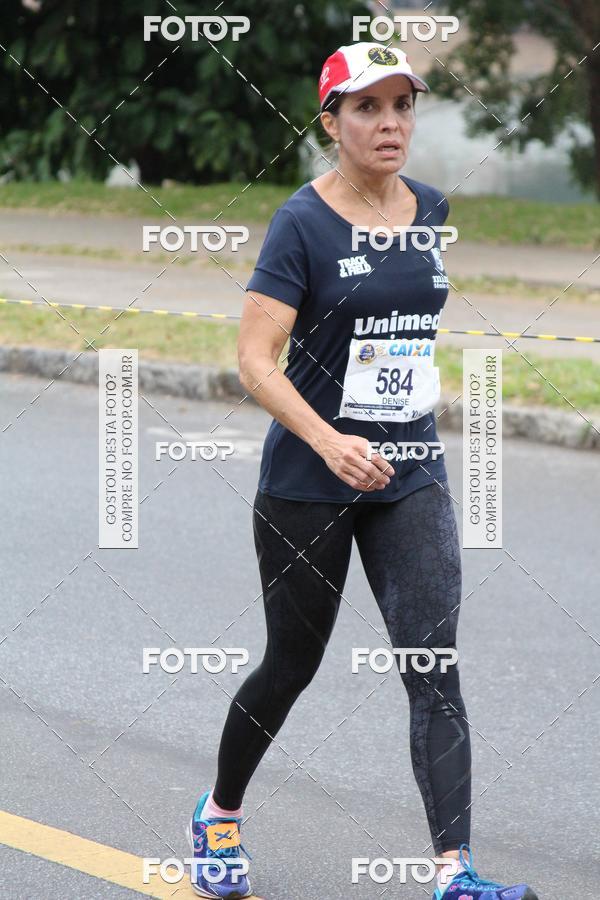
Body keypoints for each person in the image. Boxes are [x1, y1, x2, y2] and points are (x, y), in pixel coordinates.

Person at [187, 42, 538, 900]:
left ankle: (454, 873)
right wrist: (330, 440)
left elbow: (402, 328)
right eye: (368, 108)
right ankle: (219, 813)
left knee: (432, 665)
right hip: (311, 479)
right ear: (331, 122)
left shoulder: (433, 207)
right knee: (291, 664)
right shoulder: (301, 223)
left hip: (410, 472)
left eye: (402, 106)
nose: (390, 124)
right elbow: (255, 361)